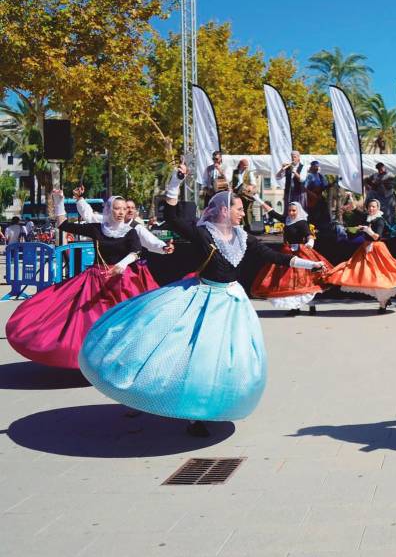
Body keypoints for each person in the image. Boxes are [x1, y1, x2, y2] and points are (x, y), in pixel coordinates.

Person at [78, 161, 325, 437]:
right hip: (202, 298)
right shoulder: (203, 233)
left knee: (230, 359)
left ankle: (213, 404)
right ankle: (192, 413)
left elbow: (276, 257)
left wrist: (309, 265)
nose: (243, 214)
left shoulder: (244, 238)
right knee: (197, 356)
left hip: (232, 303)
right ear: (223, 209)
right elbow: (171, 217)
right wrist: (176, 180)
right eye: (239, 209)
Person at [6, 193, 159, 369]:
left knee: (127, 321)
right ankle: (92, 359)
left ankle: (124, 359)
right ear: (109, 210)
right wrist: (59, 202)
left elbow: (136, 251)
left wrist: (122, 265)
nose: (121, 212)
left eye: (124, 209)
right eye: (117, 208)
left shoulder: (131, 231)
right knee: (87, 321)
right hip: (95, 280)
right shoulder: (97, 228)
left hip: (121, 282)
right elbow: (64, 225)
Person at [327, 198, 396, 313]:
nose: (371, 209)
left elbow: (377, 236)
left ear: (378, 208)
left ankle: (383, 302)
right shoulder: (367, 217)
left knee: (379, 274)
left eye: (374, 207)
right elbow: (355, 209)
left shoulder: (379, 220)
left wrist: (368, 231)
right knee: (361, 273)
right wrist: (351, 197)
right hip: (365, 249)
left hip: (377, 249)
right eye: (370, 206)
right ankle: (384, 299)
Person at [252, 201, 337, 316]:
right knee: (289, 282)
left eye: (294, 210)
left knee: (305, 280)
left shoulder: (302, 222)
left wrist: (310, 241)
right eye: (289, 210)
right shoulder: (287, 220)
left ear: (298, 211)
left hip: (301, 252)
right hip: (287, 252)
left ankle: (311, 305)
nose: (291, 213)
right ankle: (294, 307)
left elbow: (308, 234)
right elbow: (272, 212)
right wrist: (259, 200)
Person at [73, 187, 174, 255]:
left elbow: (150, 241)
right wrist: (80, 198)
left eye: (132, 208)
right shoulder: (107, 221)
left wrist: (164, 247)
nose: (130, 210)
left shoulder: (135, 227)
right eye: (127, 207)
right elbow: (89, 216)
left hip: (125, 269)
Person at [303, 161, 332, 233]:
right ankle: (311, 230)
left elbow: (325, 186)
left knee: (323, 213)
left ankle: (322, 230)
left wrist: (330, 185)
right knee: (313, 215)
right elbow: (304, 188)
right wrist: (312, 194)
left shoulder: (321, 176)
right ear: (312, 167)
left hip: (319, 198)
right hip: (311, 199)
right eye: (315, 166)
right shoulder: (309, 176)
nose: (317, 167)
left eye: (318, 166)